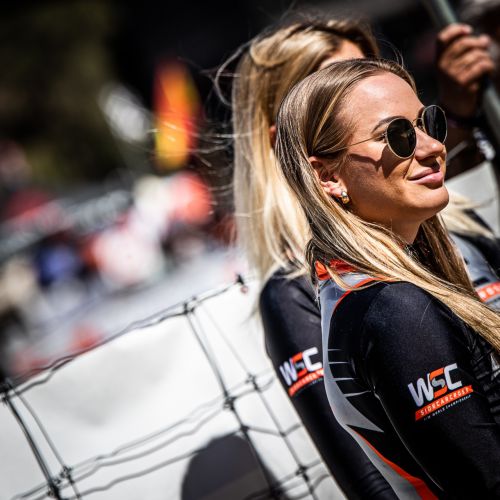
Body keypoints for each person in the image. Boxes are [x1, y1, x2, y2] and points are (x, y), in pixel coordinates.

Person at [274, 57, 500, 498]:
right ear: (328, 176)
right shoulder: (395, 309)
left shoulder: (360, 292)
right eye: (397, 135)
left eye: (426, 122)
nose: (431, 146)